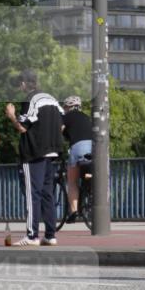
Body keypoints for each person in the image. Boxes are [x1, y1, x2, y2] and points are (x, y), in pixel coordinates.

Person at [4, 70, 64, 246]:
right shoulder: (52, 99)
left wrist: (11, 116)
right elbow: (62, 125)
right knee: (48, 194)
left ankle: (32, 236)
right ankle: (51, 235)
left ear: (24, 83)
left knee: (33, 194)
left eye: (20, 83)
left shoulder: (30, 99)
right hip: (52, 152)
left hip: (34, 153)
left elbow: (22, 127)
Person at [61, 95, 92, 224]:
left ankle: (73, 211)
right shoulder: (87, 117)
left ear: (68, 107)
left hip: (78, 148)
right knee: (90, 174)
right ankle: (91, 193)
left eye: (65, 107)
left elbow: (59, 131)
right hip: (94, 147)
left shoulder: (66, 117)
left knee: (72, 181)